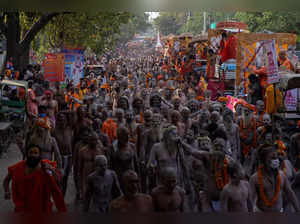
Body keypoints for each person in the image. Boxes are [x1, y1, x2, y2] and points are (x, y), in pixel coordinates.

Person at [3, 145, 67, 212]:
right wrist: (7, 191)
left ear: (40, 155)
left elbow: (58, 181)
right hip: (22, 208)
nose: (33, 155)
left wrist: (52, 169)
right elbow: (6, 180)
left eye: (36, 153)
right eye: (31, 152)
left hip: (42, 209)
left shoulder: (46, 168)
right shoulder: (18, 167)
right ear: (27, 155)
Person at [249, 144, 300, 212]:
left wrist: (298, 210)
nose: (275, 160)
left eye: (276, 157)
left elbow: (290, 194)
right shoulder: (254, 178)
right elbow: (250, 201)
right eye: (272, 158)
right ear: (263, 161)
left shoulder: (282, 175)